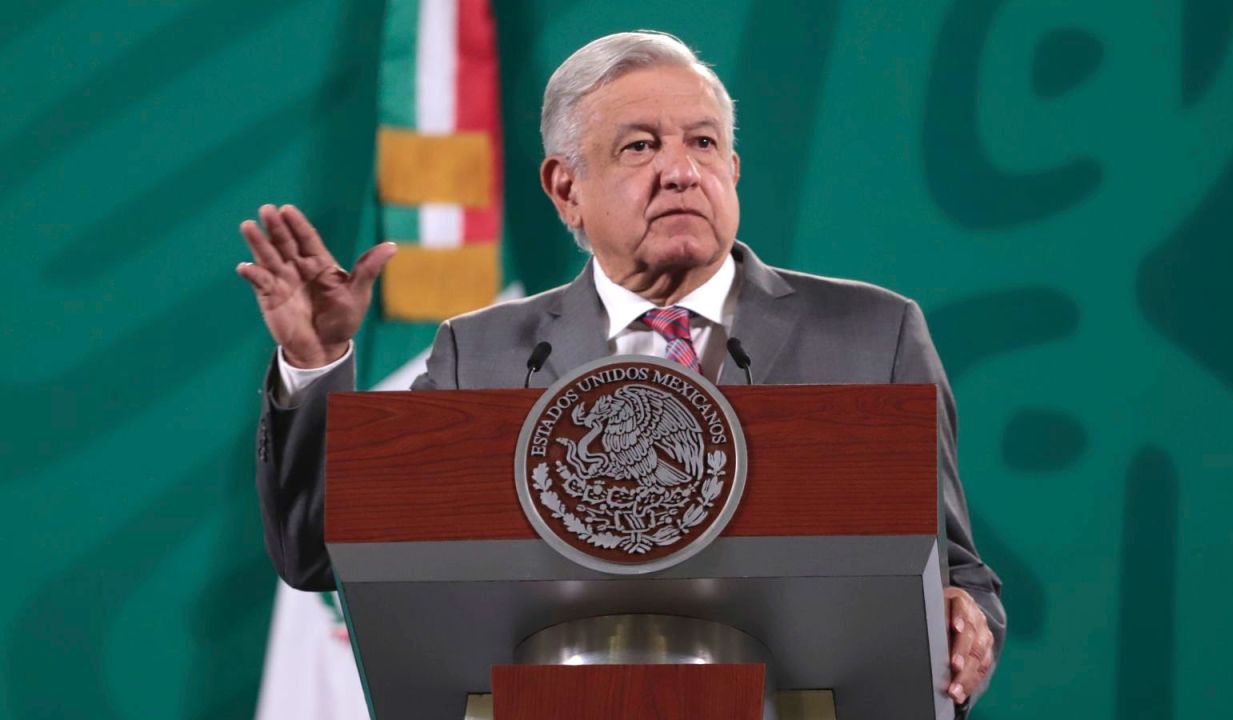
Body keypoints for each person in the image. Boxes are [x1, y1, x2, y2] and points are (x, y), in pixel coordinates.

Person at [238, 31, 1004, 708]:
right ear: (565, 188)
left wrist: (968, 614)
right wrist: (316, 360)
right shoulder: (485, 354)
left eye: (702, 144)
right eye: (640, 146)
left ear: (732, 170)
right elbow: (320, 557)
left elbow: (955, 565)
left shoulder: (873, 333)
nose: (680, 171)